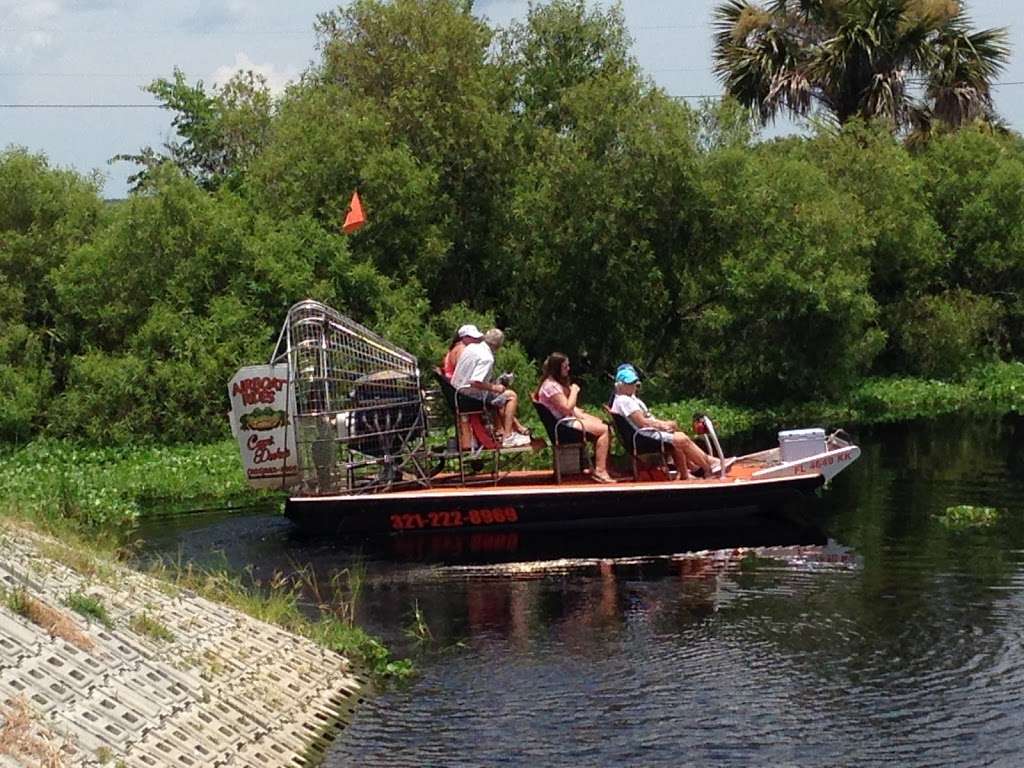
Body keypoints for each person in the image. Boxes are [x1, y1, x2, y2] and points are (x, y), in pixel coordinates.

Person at [610, 365, 732, 479]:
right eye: (629, 383)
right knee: (681, 439)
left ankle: (693, 471)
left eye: (634, 383)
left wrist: (665, 425)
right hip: (644, 436)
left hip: (644, 434)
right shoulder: (624, 401)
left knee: (678, 435)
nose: (633, 386)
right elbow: (643, 423)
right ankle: (710, 468)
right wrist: (663, 425)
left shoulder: (625, 399)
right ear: (620, 385)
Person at [536, 352, 614, 483]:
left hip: (566, 421)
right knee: (604, 431)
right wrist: (574, 391)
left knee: (604, 424)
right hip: (563, 428)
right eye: (565, 366)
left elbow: (572, 409)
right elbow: (567, 408)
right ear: (557, 368)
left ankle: (598, 465)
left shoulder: (553, 383)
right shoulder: (551, 387)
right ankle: (600, 471)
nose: (568, 369)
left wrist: (588, 417)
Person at [450, 328, 530, 448]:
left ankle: (506, 430)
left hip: (457, 393)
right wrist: (495, 387)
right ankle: (508, 436)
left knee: (499, 397)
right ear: (498, 346)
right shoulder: (487, 358)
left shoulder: (471, 347)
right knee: (511, 396)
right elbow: (475, 382)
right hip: (470, 398)